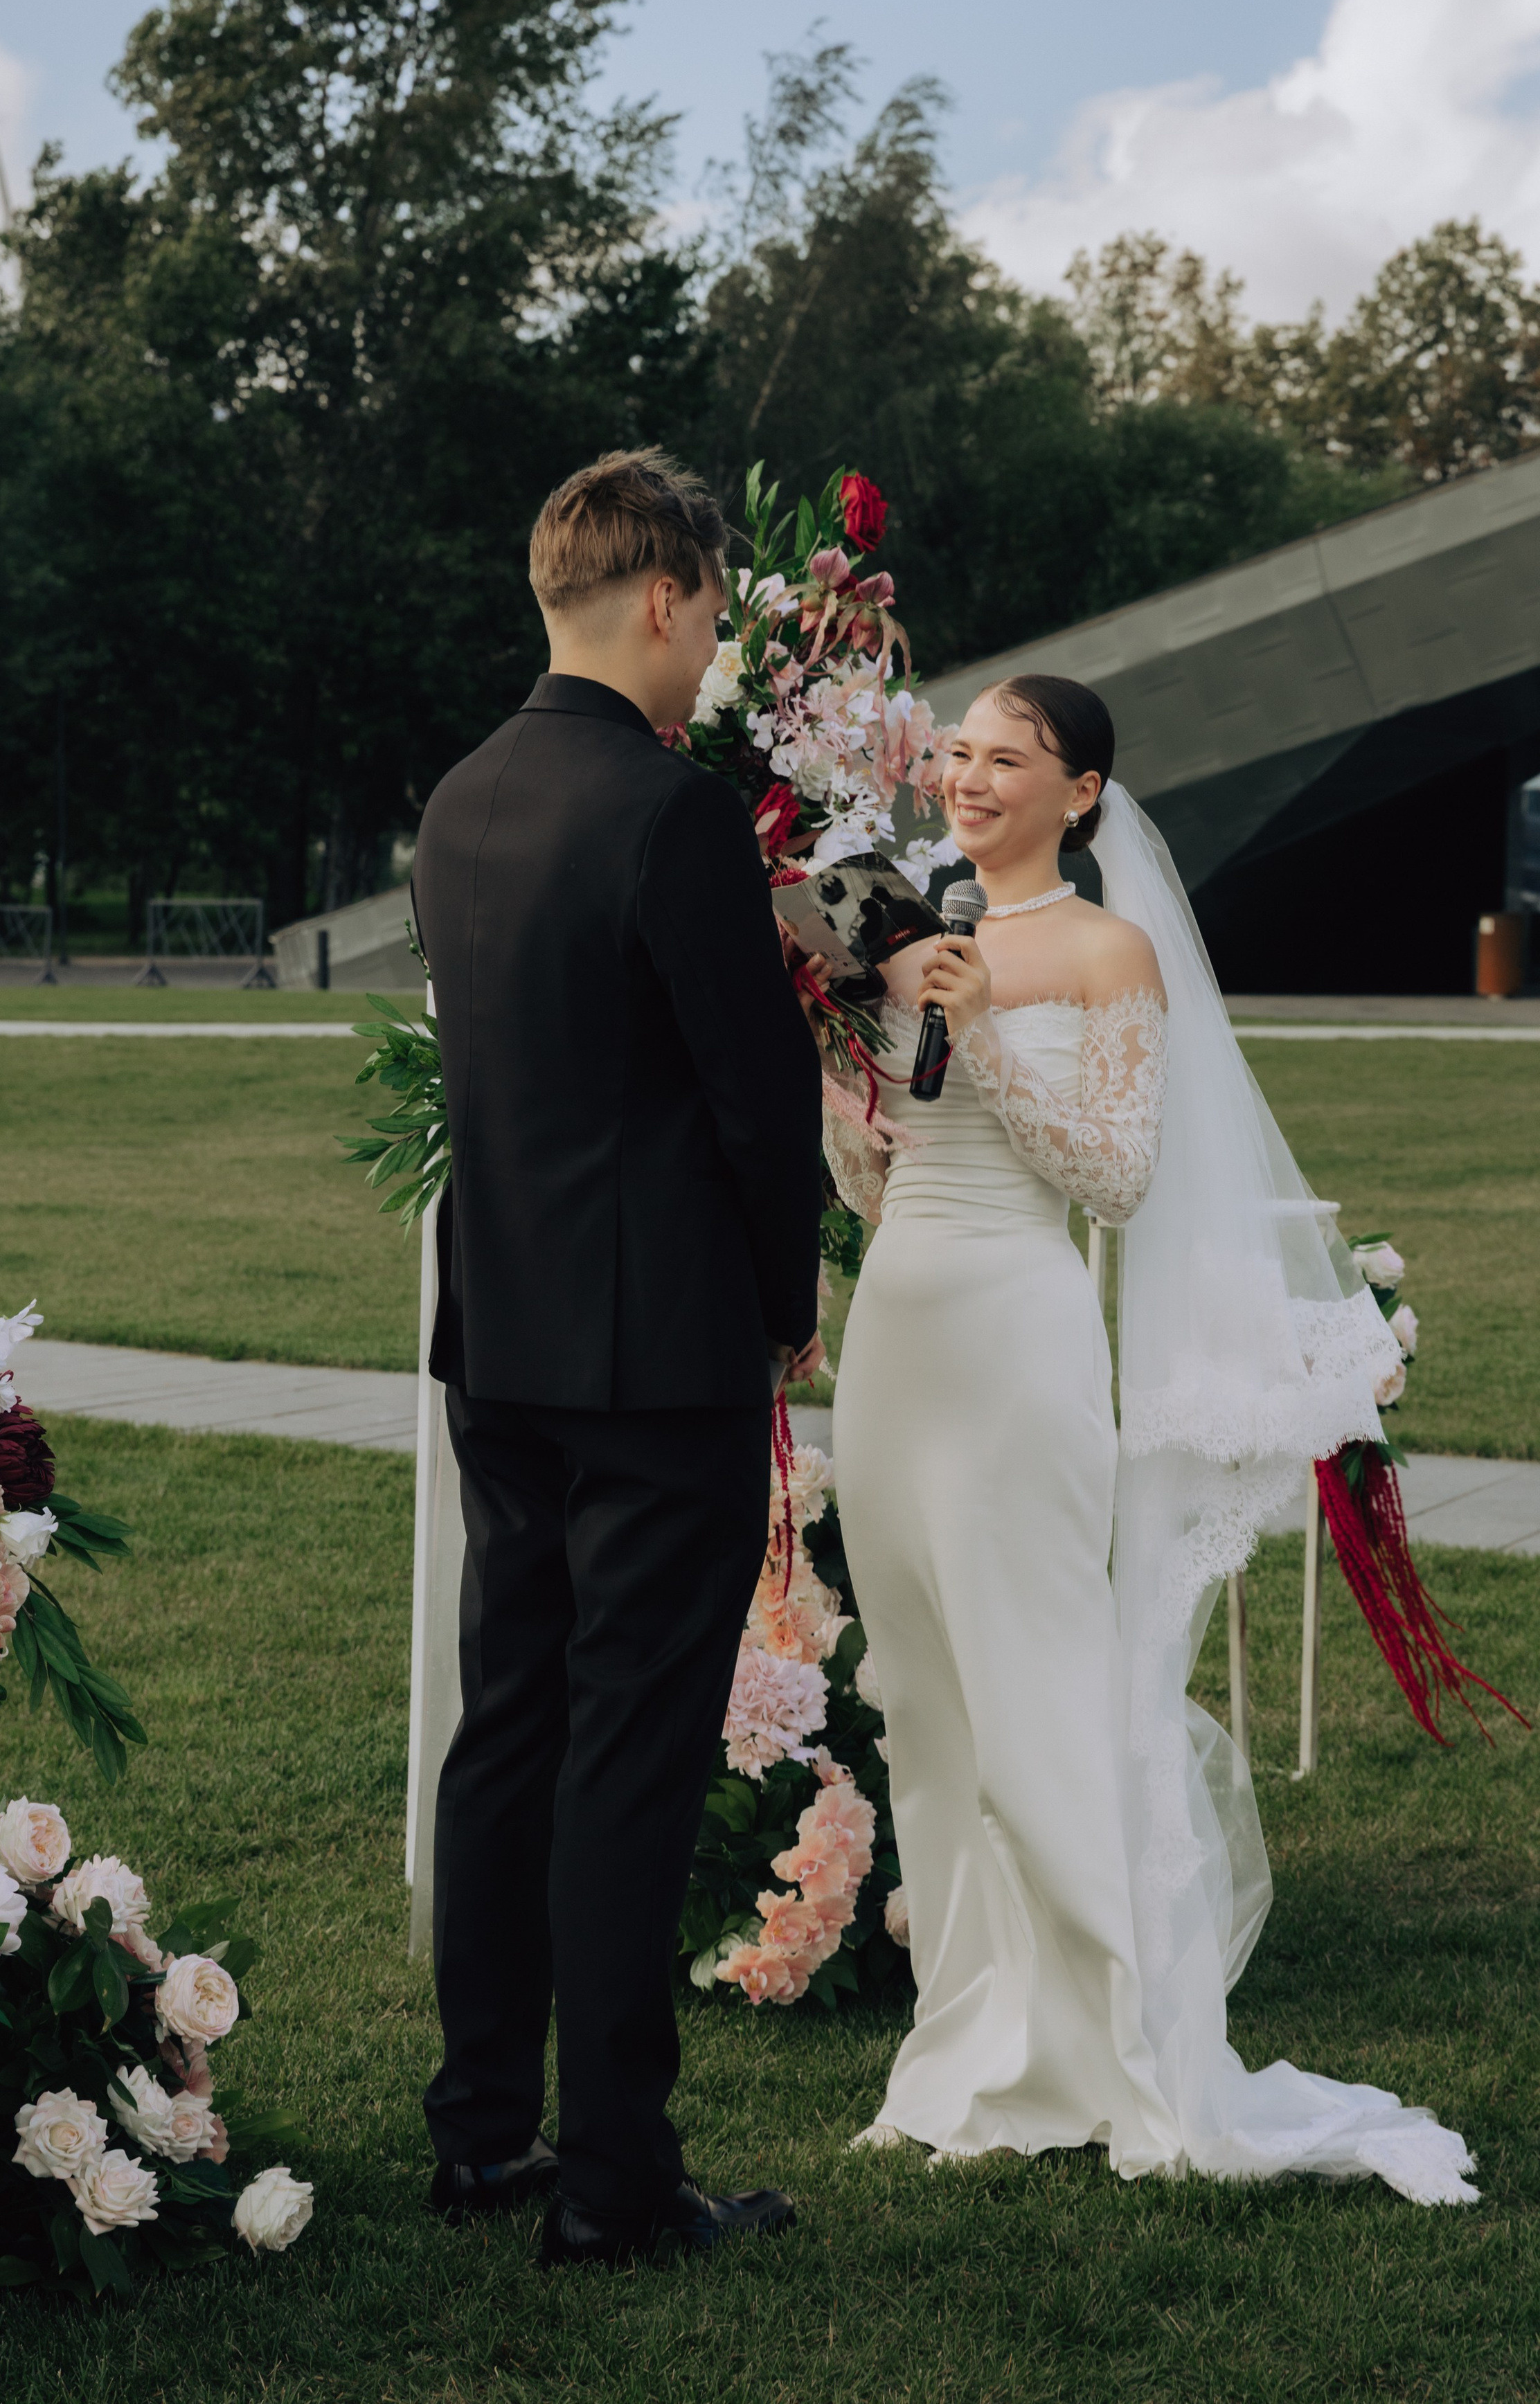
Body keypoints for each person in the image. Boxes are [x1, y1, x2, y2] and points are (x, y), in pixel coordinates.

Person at [825, 672, 1478, 2205]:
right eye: (959, 755)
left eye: (1010, 758)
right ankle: (960, 2042)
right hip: (894, 1337)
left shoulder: (1105, 951)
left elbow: (1111, 1179)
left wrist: (977, 1032)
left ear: (1083, 796)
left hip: (1015, 1340)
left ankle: (1114, 2037)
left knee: (1030, 1685)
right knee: (920, 1690)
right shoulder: (912, 939)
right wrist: (856, 1107)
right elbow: (872, 1180)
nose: (969, 779)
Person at [411, 449, 824, 2268]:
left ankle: (485, 2132)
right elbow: (756, 1100)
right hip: (657, 1356)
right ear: (661, 598)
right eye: (715, 617)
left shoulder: (461, 799)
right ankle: (615, 2182)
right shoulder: (668, 816)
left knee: (511, 1724)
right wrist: (788, 1303)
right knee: (630, 1760)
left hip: (498, 1336)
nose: (713, 651)